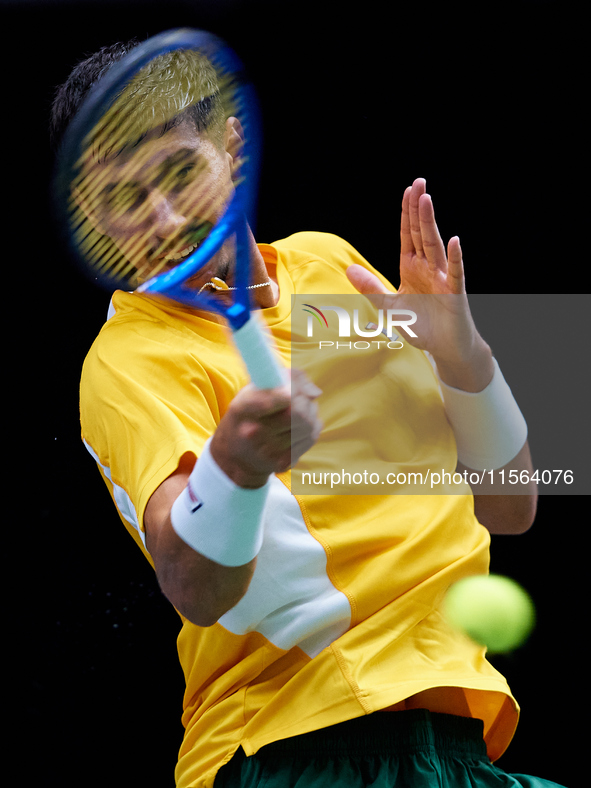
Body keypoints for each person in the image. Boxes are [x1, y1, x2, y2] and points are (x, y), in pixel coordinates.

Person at [51, 39, 566, 788]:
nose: (162, 219)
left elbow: (511, 506)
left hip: (454, 748)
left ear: (233, 146)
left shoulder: (330, 265)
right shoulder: (127, 363)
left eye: (177, 173)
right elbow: (194, 587)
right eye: (125, 200)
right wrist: (236, 467)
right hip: (291, 747)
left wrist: (465, 362)